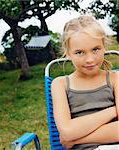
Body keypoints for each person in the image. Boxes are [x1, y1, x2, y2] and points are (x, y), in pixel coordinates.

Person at [51, 15, 119, 150]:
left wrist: (75, 138)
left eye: (95, 49)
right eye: (80, 52)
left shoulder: (115, 79)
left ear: (104, 47)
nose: (90, 59)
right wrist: (113, 111)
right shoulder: (60, 84)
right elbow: (67, 132)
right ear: (68, 53)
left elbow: (68, 137)